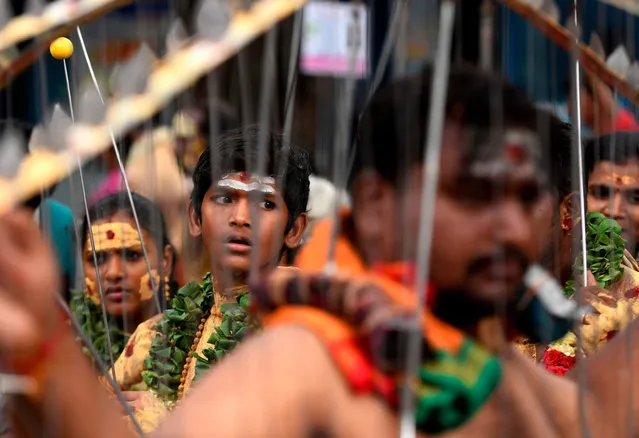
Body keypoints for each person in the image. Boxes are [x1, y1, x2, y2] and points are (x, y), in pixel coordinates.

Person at [0, 65, 633, 437]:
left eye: (525, 197)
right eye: (469, 194)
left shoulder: (509, 367)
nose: (506, 225)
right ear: (381, 209)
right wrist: (47, 360)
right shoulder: (317, 351)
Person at [107, 126, 309, 431]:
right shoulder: (155, 334)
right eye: (225, 198)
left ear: (294, 230)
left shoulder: (306, 330)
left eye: (265, 203)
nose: (241, 217)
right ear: (195, 218)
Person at [71, 191, 178, 367]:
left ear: (165, 261)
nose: (113, 273)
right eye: (97, 259)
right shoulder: (66, 346)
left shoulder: (198, 340)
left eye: (132, 255)